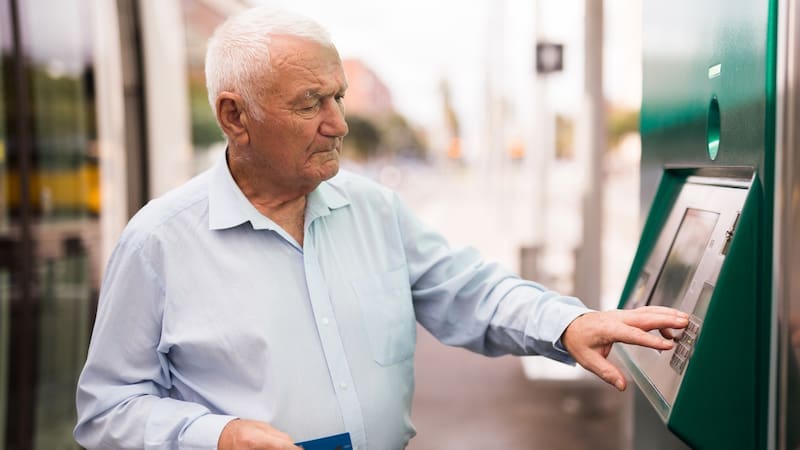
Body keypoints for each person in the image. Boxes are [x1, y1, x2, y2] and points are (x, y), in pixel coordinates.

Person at [74, 7, 688, 450]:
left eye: (339, 97)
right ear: (236, 116)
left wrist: (568, 322)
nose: (338, 124)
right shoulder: (158, 242)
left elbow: (470, 291)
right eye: (311, 103)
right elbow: (107, 411)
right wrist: (217, 437)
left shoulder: (373, 209)